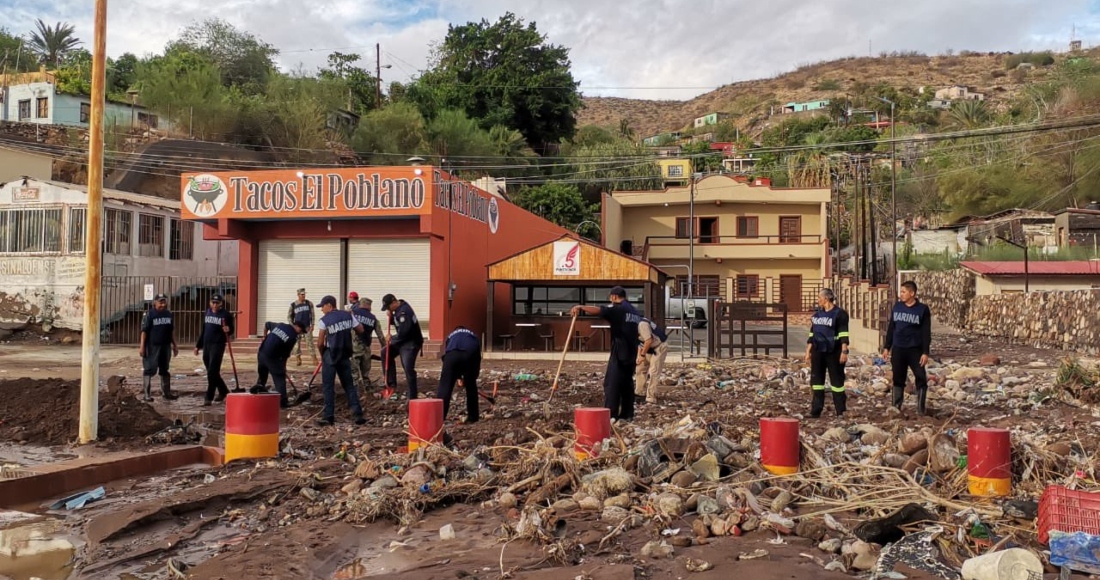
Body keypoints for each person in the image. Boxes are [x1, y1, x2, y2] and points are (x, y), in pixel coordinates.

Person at [570, 287, 642, 421]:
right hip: (632, 351)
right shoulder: (634, 311)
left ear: (614, 297)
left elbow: (600, 310)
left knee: (612, 383)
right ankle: (627, 414)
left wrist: (580, 307)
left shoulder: (618, 309)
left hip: (620, 350)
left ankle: (611, 415)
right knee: (626, 383)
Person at [883, 281, 933, 415]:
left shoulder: (922, 309)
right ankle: (896, 408)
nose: (901, 295)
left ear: (912, 293)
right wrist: (887, 347)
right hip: (899, 348)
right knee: (898, 378)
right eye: (901, 292)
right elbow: (891, 328)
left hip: (915, 349)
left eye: (904, 292)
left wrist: (925, 352)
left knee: (920, 377)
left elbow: (926, 332)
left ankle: (921, 409)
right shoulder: (898, 307)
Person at [315, 295, 367, 426]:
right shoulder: (348, 315)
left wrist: (323, 355)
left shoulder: (324, 320)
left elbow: (320, 342)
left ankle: (328, 417)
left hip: (331, 355)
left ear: (330, 305)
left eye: (323, 307)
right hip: (345, 355)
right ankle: (357, 414)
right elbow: (360, 329)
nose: (322, 310)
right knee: (349, 385)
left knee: (328, 386)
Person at [805, 288, 850, 418]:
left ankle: (841, 411)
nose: (818, 300)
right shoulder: (817, 315)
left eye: (820, 297)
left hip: (834, 351)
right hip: (818, 351)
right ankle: (816, 410)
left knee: (837, 382)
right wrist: (808, 351)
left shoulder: (840, 314)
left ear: (826, 298)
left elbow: (843, 334)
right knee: (817, 382)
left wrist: (844, 351)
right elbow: (812, 334)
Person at [251, 319, 308, 408]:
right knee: (279, 377)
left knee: (262, 375)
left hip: (262, 353)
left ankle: (259, 389)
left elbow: (267, 324)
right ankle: (283, 402)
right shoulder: (293, 337)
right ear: (297, 327)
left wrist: (264, 337)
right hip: (272, 358)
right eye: (300, 331)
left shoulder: (280, 325)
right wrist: (283, 367)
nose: (300, 334)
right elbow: (285, 355)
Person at [380, 294, 424, 400]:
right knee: (385, 352)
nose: (388, 309)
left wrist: (391, 338)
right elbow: (397, 323)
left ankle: (412, 396)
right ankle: (391, 384)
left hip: (411, 342)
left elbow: (404, 332)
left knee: (408, 367)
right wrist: (391, 317)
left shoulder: (404, 312)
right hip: (403, 341)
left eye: (388, 307)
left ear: (394, 302)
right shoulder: (399, 308)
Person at [436, 325, 483, 423]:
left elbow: (447, 355)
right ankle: (473, 417)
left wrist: (457, 377)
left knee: (445, 387)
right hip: (469, 355)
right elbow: (477, 358)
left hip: (451, 356)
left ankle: (439, 418)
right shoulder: (474, 336)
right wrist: (472, 377)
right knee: (471, 388)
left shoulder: (451, 336)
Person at [194, 293, 234, 406]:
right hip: (207, 344)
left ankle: (208, 397)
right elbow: (204, 330)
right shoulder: (207, 313)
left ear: (221, 303)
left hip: (218, 345)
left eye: (217, 303)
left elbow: (231, 330)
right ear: (210, 303)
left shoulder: (226, 315)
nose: (215, 305)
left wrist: (228, 329)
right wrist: (198, 345)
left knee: (212, 372)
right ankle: (223, 391)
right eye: (213, 302)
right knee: (212, 372)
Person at [139, 294, 179, 401]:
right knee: (149, 368)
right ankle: (147, 395)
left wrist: (174, 345)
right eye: (160, 302)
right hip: (152, 346)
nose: (162, 304)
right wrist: (142, 346)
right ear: (155, 302)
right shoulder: (150, 314)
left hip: (165, 345)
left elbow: (171, 331)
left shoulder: (168, 314)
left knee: (164, 368)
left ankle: (166, 393)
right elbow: (144, 331)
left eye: (164, 302)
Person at [350, 297, 385, 389]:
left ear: (360, 304)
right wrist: (385, 348)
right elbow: (380, 335)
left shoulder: (353, 313)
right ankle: (367, 388)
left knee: (354, 371)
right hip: (366, 347)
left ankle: (355, 390)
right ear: (369, 306)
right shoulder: (373, 318)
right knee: (365, 371)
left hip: (354, 346)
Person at [634, 316, 669, 405]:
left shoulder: (642, 325)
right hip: (647, 347)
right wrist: (639, 356)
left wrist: (642, 354)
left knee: (654, 371)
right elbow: (639, 341)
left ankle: (651, 397)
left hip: (658, 347)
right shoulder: (633, 326)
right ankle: (639, 392)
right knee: (640, 369)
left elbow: (648, 340)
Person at [287, 288, 317, 367]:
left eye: (304, 294)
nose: (303, 295)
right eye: (302, 294)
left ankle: (314, 358)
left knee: (310, 343)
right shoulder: (293, 305)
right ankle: (298, 358)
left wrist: (312, 324)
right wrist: (293, 326)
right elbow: (289, 317)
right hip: (297, 329)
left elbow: (312, 315)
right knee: (296, 345)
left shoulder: (309, 303)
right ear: (298, 295)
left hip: (307, 327)